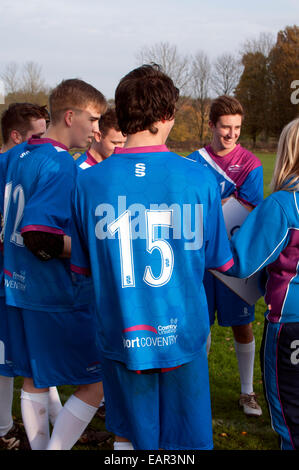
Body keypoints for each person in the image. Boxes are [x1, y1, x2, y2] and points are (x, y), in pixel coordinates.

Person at [70, 64, 234, 450]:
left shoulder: (88, 181)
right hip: (183, 334)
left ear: (122, 116)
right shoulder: (198, 178)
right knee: (186, 445)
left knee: (128, 436)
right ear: (167, 116)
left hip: (122, 332)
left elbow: (82, 267)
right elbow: (219, 260)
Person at [0, 79, 108, 450]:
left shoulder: (15, 154)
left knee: (35, 377)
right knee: (96, 382)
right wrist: (89, 250)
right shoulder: (62, 164)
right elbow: (39, 237)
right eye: (93, 119)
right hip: (53, 293)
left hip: (16, 288)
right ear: (69, 115)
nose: (97, 129)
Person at [225, 117, 299, 450]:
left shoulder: (284, 205)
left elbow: (241, 263)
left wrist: (226, 221)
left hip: (290, 325)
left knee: (293, 424)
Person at [188, 96, 263, 416]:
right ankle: (197, 393)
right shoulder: (193, 162)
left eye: (237, 128)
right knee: (198, 328)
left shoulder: (251, 163)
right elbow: (187, 209)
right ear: (211, 126)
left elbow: (249, 207)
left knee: (243, 326)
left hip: (235, 262)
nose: (231, 134)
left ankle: (247, 393)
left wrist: (211, 210)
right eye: (225, 127)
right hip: (199, 262)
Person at [0, 102, 62, 450]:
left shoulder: (27, 164)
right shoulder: (9, 165)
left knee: (31, 358)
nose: (44, 142)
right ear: (16, 136)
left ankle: (52, 423)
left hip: (22, 279)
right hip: (12, 279)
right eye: (37, 135)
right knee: (9, 359)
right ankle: (5, 429)